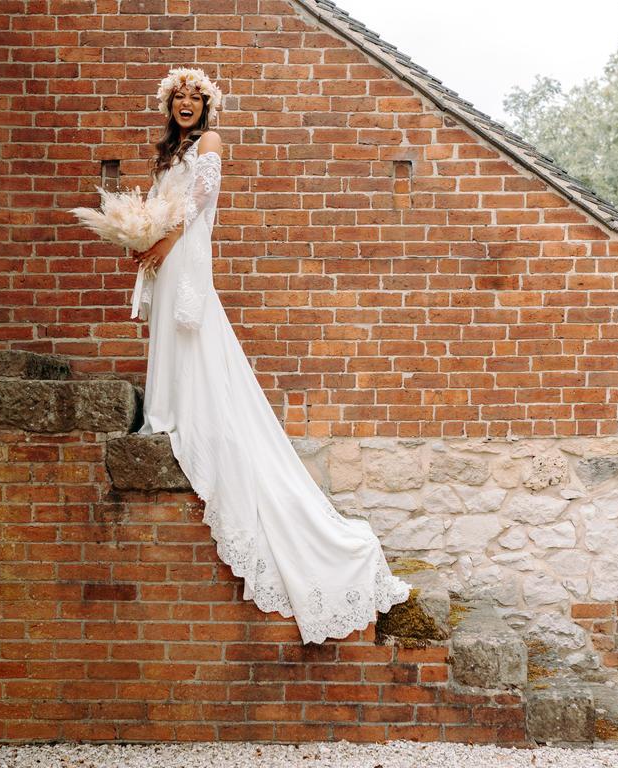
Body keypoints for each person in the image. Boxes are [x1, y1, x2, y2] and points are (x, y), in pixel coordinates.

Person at [130, 67, 410, 644]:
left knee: (198, 339)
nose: (185, 105)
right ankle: (167, 413)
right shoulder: (169, 151)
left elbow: (197, 205)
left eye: (194, 97)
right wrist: (141, 237)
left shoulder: (210, 143)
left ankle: (184, 419)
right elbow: (164, 204)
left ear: (208, 104)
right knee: (171, 338)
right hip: (168, 256)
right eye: (177, 98)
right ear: (169, 106)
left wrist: (157, 245)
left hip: (185, 255)